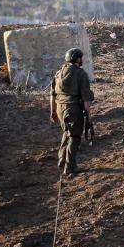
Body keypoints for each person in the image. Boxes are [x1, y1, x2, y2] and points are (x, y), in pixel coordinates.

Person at [50, 48, 94, 176]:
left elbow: (52, 95)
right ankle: (70, 167)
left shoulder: (58, 73)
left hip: (59, 108)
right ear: (78, 59)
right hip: (73, 108)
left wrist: (52, 111)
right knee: (75, 137)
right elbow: (86, 98)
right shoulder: (81, 74)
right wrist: (89, 116)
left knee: (67, 132)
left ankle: (62, 160)